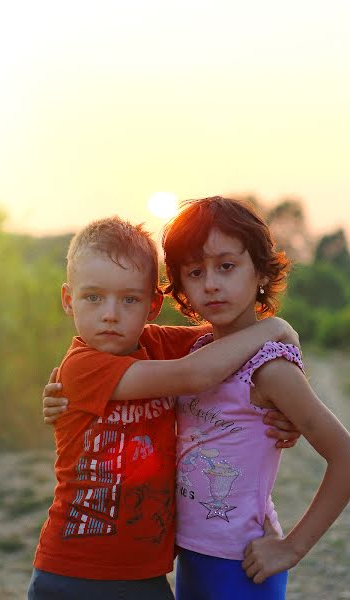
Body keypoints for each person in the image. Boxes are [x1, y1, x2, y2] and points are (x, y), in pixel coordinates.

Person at [30, 215, 299, 600]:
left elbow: (230, 336)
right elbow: (196, 373)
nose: (110, 313)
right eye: (93, 296)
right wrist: (274, 328)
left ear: (153, 304)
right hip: (74, 571)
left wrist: (291, 405)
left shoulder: (154, 342)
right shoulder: (81, 366)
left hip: (146, 572)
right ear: (68, 300)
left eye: (129, 299)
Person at [159, 196, 350, 600]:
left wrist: (293, 548)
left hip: (243, 566)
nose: (211, 283)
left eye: (226, 266)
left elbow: (345, 455)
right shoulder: (197, 353)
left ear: (261, 272)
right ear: (181, 287)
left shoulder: (269, 369)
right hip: (190, 558)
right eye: (195, 272)